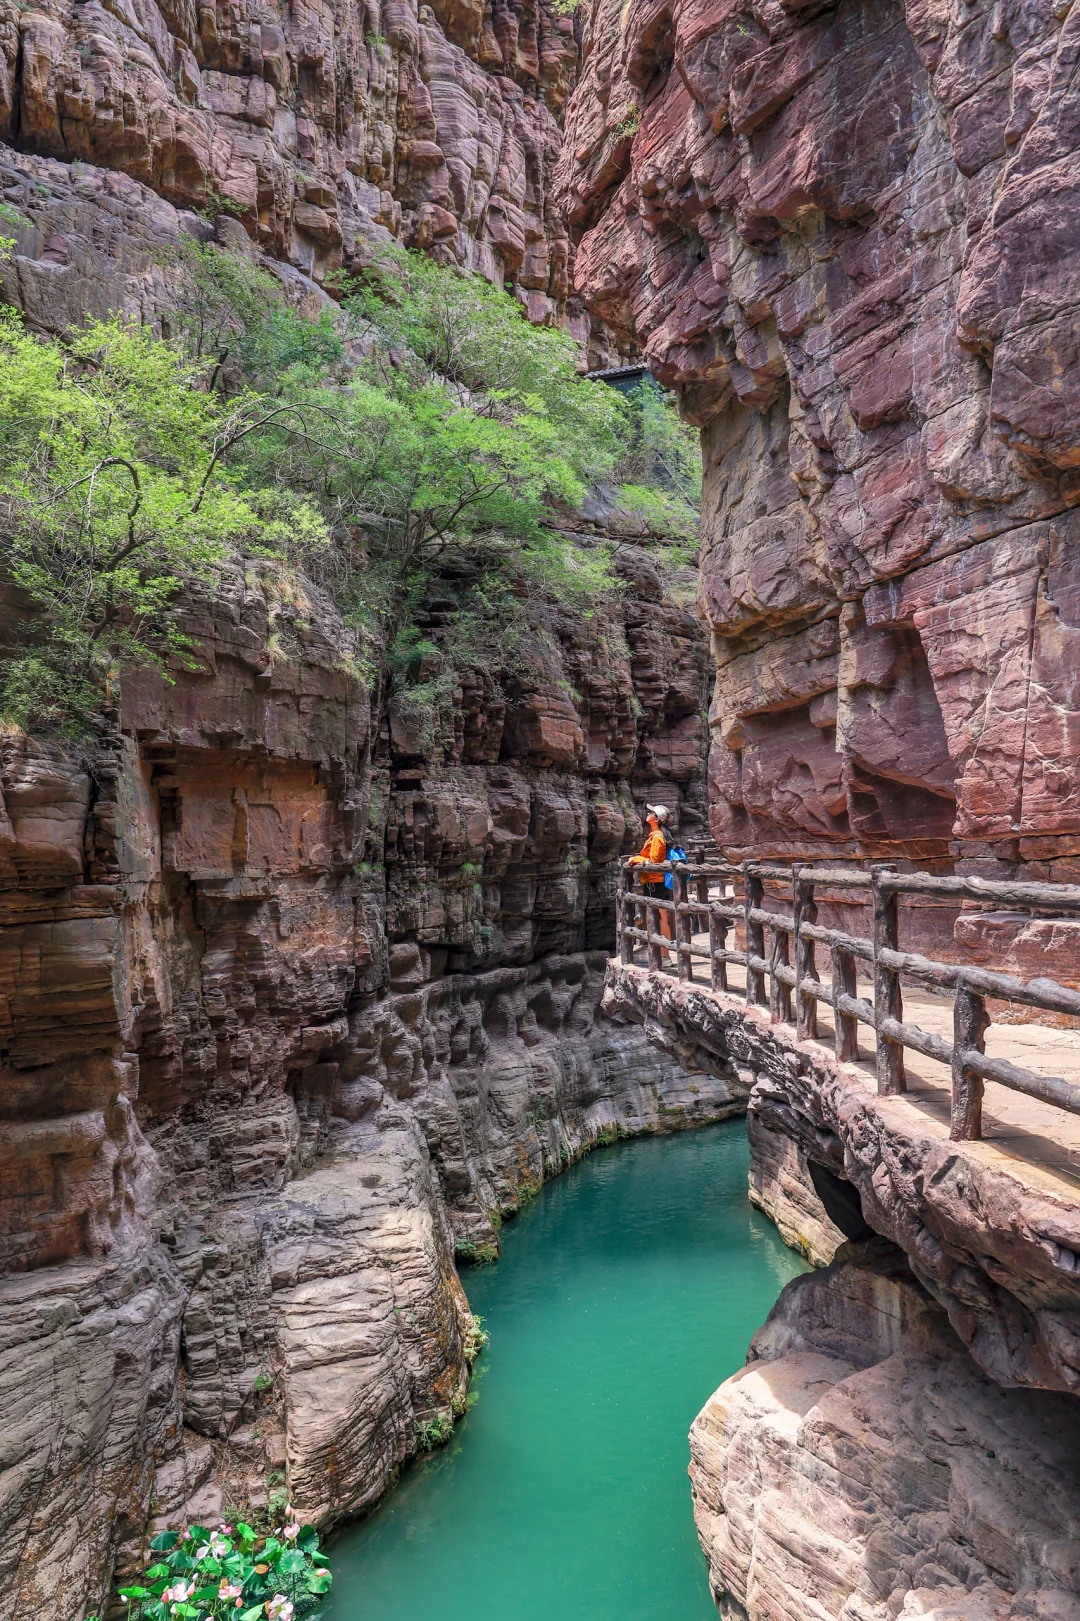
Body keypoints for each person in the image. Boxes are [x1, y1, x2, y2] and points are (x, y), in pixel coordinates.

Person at [628, 803, 675, 960]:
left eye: (651, 812)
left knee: (660, 917)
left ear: (656, 819)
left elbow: (653, 861)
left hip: (655, 882)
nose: (648, 813)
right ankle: (661, 954)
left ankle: (664, 956)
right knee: (658, 917)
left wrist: (635, 859)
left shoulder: (657, 837)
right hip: (654, 882)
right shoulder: (655, 836)